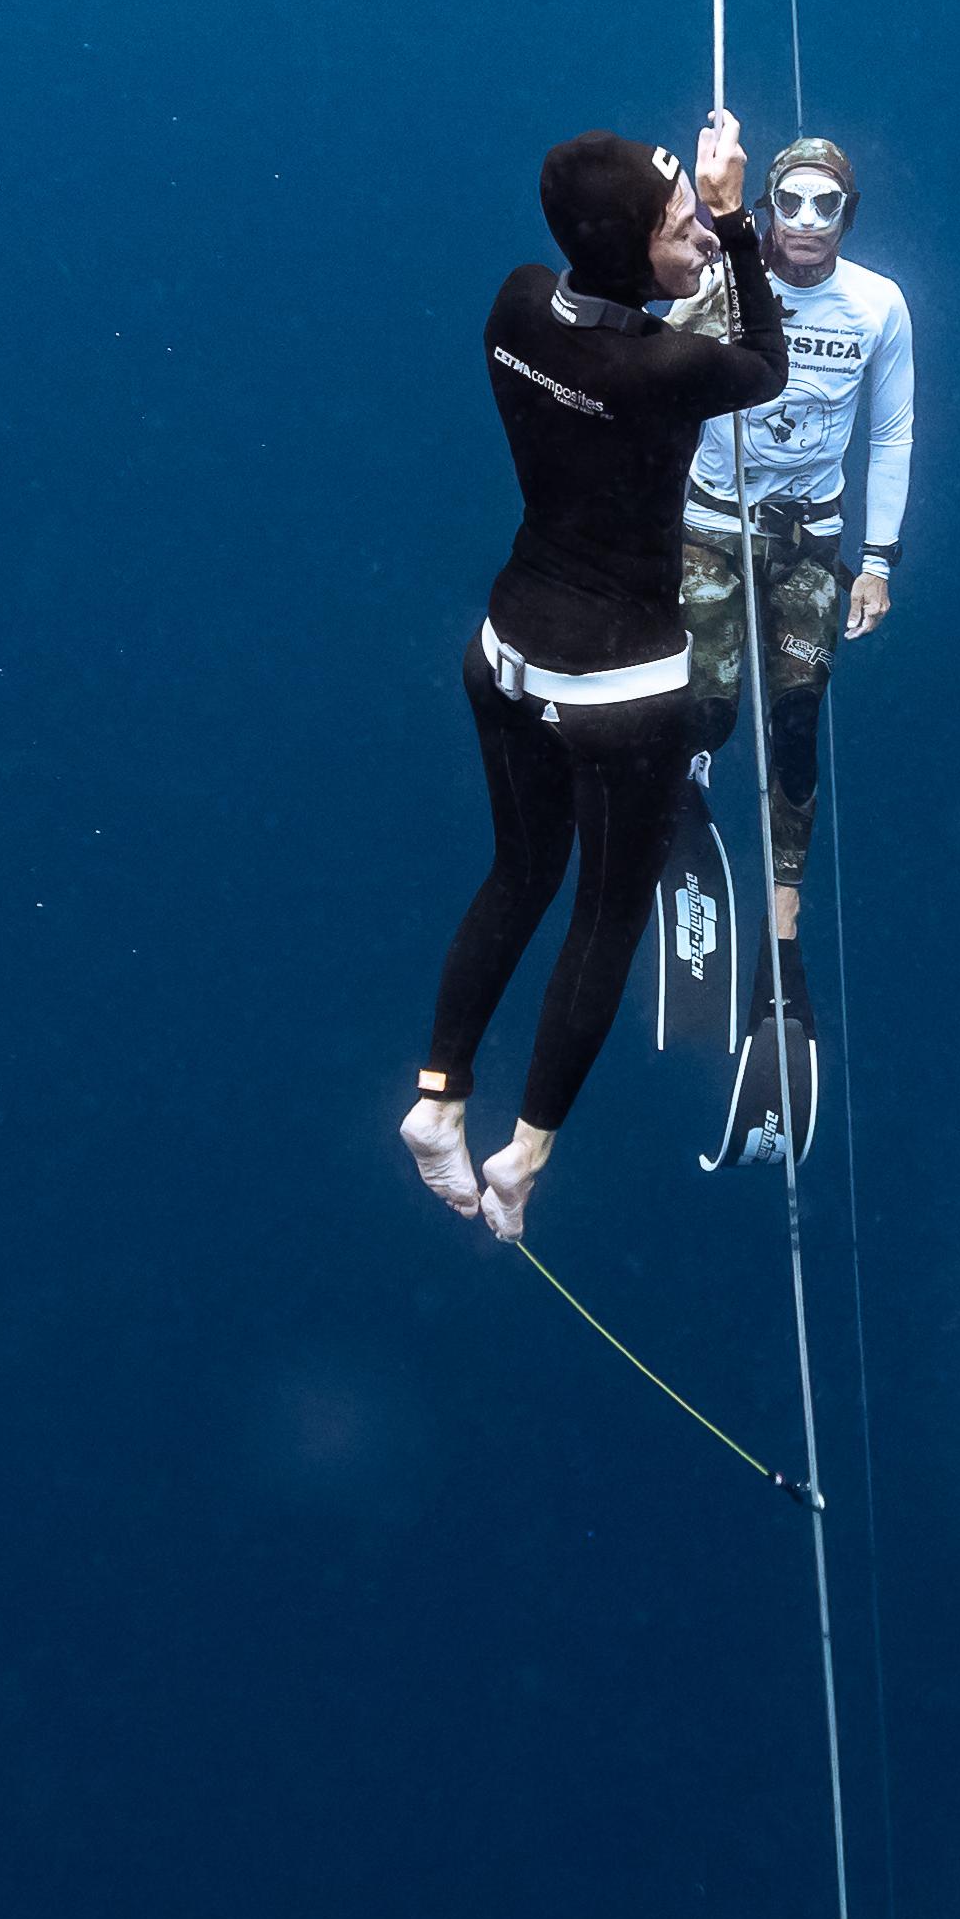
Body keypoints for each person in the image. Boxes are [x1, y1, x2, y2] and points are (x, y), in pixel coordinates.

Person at [403, 109, 783, 1246]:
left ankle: (439, 1099)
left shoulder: (516, 305)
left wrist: (688, 212)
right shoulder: (665, 369)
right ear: (628, 251)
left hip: (506, 654)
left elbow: (615, 292)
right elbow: (764, 363)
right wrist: (739, 221)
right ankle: (523, 1155)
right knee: (608, 917)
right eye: (679, 227)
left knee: (519, 873)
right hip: (620, 695)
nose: (699, 237)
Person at [678, 133, 915, 974]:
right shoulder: (720, 280)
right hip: (710, 527)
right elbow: (647, 377)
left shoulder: (879, 304)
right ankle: (678, 811)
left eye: (827, 204)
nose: (807, 221)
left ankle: (784, 929)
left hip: (809, 542)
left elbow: (891, 432)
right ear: (768, 206)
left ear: (850, 214)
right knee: (708, 711)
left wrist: (877, 562)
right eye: (790, 201)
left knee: (796, 726)